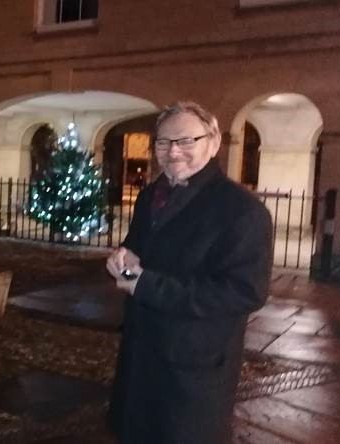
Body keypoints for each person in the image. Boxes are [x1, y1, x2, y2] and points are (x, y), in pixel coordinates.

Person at [105, 101, 273, 443]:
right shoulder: (152, 194)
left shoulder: (242, 210)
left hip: (193, 362)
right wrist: (124, 258)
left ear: (212, 144)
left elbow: (244, 291)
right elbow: (140, 248)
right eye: (163, 143)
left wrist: (146, 284)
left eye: (186, 141)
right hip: (142, 351)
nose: (173, 152)